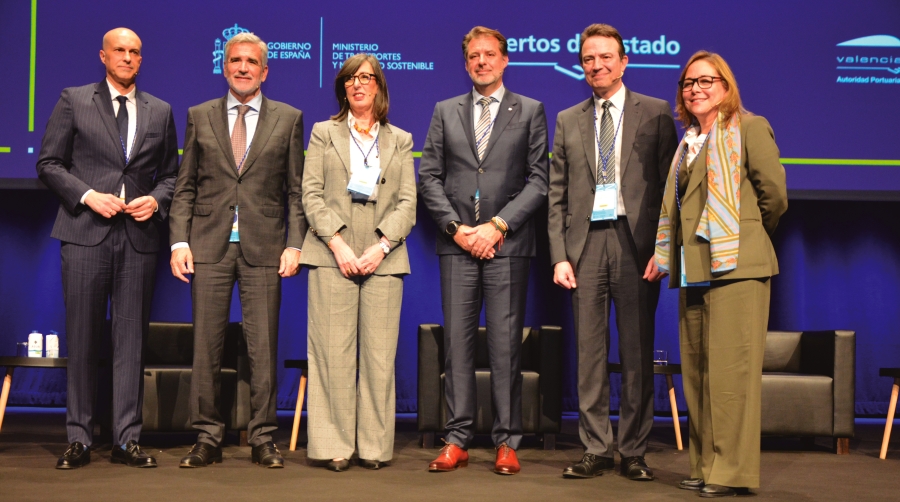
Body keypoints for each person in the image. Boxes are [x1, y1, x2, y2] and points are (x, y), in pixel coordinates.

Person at [37, 27, 178, 469]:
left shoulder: (160, 111)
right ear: (103, 55)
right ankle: (78, 438)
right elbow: (48, 163)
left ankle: (126, 440)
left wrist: (156, 200)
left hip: (137, 239)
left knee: (131, 341)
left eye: (135, 52)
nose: (127, 58)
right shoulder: (74, 99)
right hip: (84, 232)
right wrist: (86, 195)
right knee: (82, 337)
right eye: (120, 50)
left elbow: (172, 175)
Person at [650, 51, 787, 497]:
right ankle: (705, 465)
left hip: (737, 268)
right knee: (699, 374)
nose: (696, 89)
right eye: (689, 83)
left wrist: (743, 236)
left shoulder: (749, 127)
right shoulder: (688, 140)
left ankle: (732, 472)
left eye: (707, 81)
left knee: (731, 375)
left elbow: (774, 197)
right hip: (695, 268)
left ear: (726, 87)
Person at [169, 32, 306, 469]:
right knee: (205, 347)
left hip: (265, 247)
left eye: (251, 62)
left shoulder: (288, 118)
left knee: (262, 347)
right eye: (235, 61)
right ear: (223, 67)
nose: (242, 68)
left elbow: (296, 193)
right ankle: (207, 437)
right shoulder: (199, 115)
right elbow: (185, 185)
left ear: (264, 70)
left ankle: (264, 438)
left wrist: (294, 244)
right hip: (208, 245)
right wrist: (178, 240)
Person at [547, 23, 678, 481]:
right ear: (580, 65)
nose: (596, 65)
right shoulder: (568, 118)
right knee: (589, 353)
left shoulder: (657, 112)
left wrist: (664, 249)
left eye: (605, 57)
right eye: (588, 58)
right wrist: (560, 255)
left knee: (638, 352)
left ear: (624, 62)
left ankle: (634, 449)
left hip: (635, 244)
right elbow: (556, 195)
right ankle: (596, 448)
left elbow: (669, 192)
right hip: (584, 245)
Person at [418, 26, 549, 476]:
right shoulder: (444, 110)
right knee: (457, 346)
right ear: (466, 62)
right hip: (457, 246)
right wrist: (457, 229)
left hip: (507, 246)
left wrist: (496, 226)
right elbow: (429, 177)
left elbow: (539, 180)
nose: (481, 62)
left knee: (506, 348)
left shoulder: (530, 111)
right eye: (473, 56)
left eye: (489, 54)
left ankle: (507, 442)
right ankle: (456, 440)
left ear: (505, 60)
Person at [301, 54, 416, 472]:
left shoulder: (399, 139)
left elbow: (408, 202)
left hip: (383, 258)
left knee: (380, 357)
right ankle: (334, 445)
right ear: (342, 87)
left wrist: (381, 247)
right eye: (350, 78)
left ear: (379, 86)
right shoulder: (323, 133)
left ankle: (372, 447)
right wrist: (338, 244)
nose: (358, 84)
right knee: (331, 354)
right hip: (334, 256)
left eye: (366, 77)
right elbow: (311, 194)